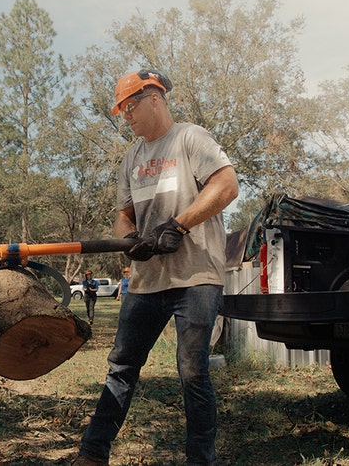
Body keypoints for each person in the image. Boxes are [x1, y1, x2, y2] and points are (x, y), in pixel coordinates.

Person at [74, 69, 239, 466]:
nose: (126, 116)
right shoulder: (130, 158)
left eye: (130, 106)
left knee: (192, 372)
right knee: (122, 366)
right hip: (147, 282)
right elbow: (124, 217)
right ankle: (93, 454)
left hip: (197, 276)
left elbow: (227, 185)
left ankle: (201, 460)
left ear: (155, 98)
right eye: (122, 111)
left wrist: (180, 224)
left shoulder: (189, 138)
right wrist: (129, 242)